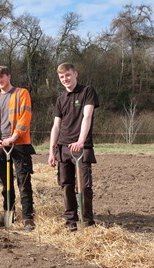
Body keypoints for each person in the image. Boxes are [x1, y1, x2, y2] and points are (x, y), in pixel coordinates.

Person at [47, 62, 99, 232]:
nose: (65, 79)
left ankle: (87, 221)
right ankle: (70, 221)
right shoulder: (61, 99)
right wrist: (52, 151)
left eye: (68, 75)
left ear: (75, 73)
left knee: (84, 187)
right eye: (61, 77)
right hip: (63, 147)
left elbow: (87, 116)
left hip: (81, 147)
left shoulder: (87, 91)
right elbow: (56, 126)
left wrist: (81, 141)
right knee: (66, 185)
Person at [0, 65, 36, 232]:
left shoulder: (21, 94)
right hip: (1, 146)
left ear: (8, 76)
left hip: (19, 144)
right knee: (5, 182)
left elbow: (25, 116)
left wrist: (14, 137)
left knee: (24, 181)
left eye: (2, 77)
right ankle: (9, 212)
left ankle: (28, 217)